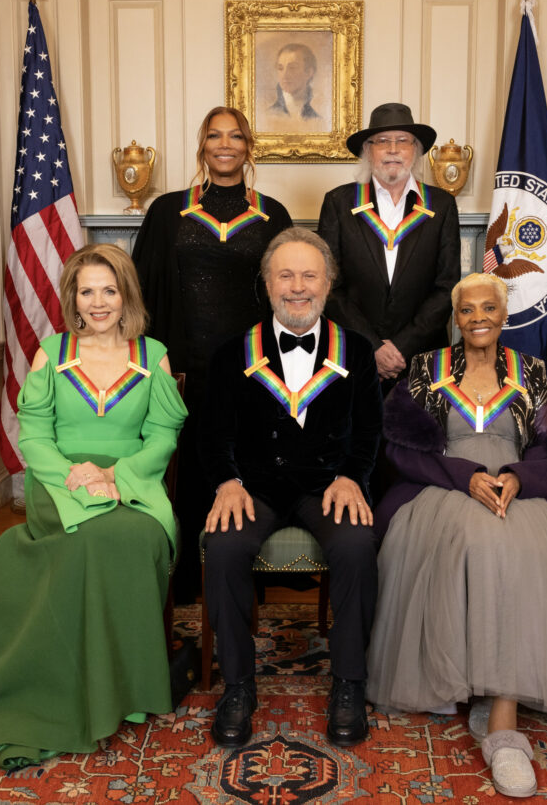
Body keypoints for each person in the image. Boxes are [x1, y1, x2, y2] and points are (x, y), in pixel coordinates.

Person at [366, 273, 547, 798]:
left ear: (504, 317)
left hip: (515, 487)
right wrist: (464, 476)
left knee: (529, 549)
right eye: (468, 310)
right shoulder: (426, 368)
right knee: (473, 544)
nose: (479, 317)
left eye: (489, 308)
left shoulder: (530, 370)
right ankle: (464, 680)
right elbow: (400, 449)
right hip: (442, 486)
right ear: (456, 318)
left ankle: (504, 726)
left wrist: (515, 478)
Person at [0, 244, 187, 769]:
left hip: (133, 480)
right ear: (73, 297)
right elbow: (35, 435)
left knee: (134, 537)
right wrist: (73, 475)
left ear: (126, 295)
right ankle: (64, 686)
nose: (98, 303)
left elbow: (162, 434)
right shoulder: (52, 352)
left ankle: (121, 686)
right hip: (61, 483)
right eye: (87, 291)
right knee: (89, 537)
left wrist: (118, 475)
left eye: (109, 291)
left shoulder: (153, 355)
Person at [201, 227, 382, 748]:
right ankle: (238, 686)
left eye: (309, 275)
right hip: (253, 487)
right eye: (286, 275)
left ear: (328, 284)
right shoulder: (230, 353)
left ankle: (349, 681)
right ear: (266, 282)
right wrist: (227, 482)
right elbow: (212, 435)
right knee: (225, 545)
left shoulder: (358, 352)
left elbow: (370, 430)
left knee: (356, 544)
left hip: (327, 485)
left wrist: (353, 476)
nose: (297, 287)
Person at [132, 107, 292, 602]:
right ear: (202, 145)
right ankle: (180, 577)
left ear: (249, 147)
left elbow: (290, 297)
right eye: (215, 136)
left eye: (237, 136)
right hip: (179, 368)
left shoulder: (274, 215)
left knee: (245, 464)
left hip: (252, 371)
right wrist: (149, 360)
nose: (226, 144)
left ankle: (243, 573)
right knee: (185, 469)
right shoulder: (167, 211)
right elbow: (141, 293)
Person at [318, 102, 461, 390]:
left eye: (402, 141)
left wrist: (401, 347)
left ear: (416, 150)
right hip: (355, 357)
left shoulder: (442, 205)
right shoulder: (338, 203)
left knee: (418, 436)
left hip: (422, 359)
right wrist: (374, 347)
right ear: (367, 151)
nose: (392, 149)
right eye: (382, 141)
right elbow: (328, 286)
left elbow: (447, 286)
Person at [266, 43, 322, 122]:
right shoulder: (267, 115)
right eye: (280, 68)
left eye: (292, 68)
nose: (284, 75)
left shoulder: (318, 118)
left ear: (309, 72)